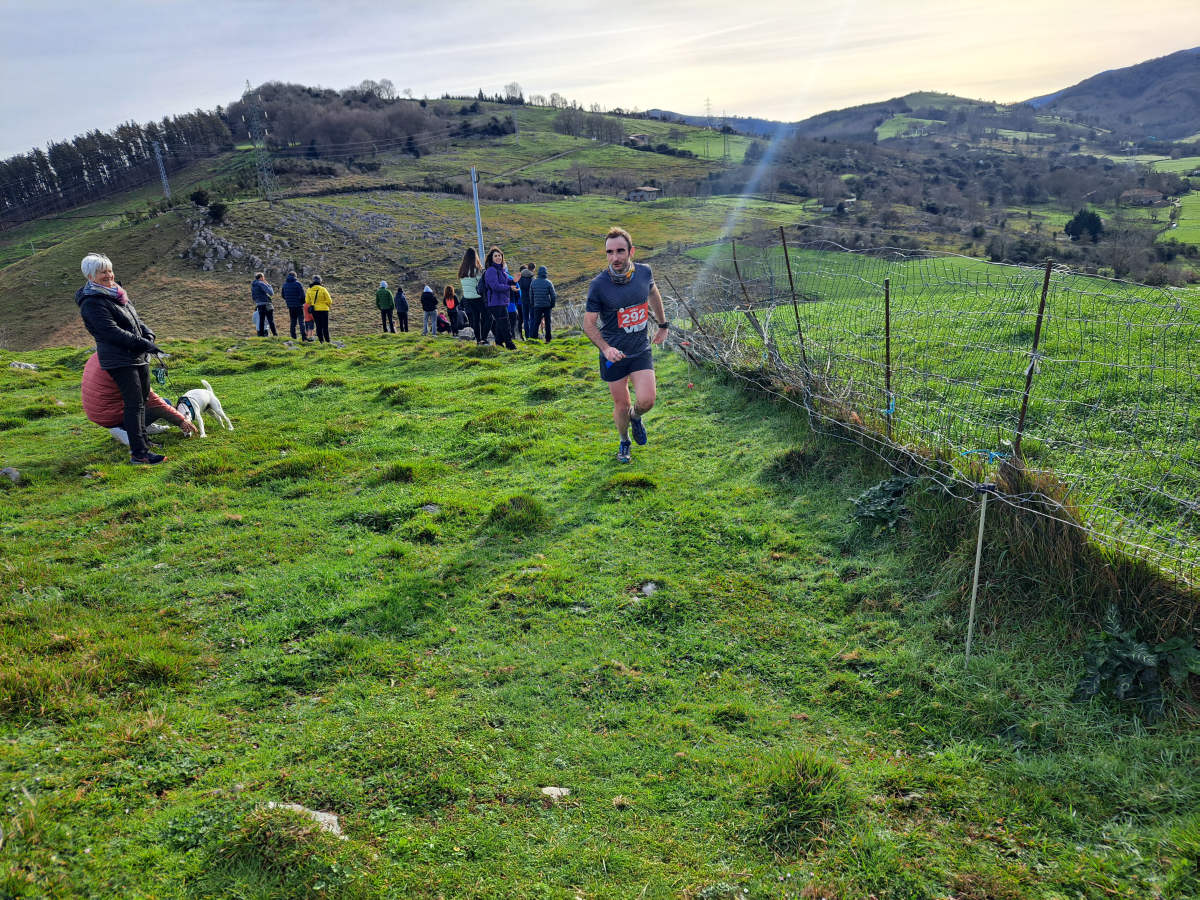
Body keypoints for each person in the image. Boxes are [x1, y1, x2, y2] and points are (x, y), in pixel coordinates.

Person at [583, 226, 668, 463]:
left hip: (640, 349)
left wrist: (663, 324)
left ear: (631, 251)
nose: (615, 257)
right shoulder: (599, 285)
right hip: (614, 355)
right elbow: (588, 324)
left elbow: (653, 294)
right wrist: (606, 349)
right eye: (609, 252)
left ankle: (636, 416)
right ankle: (624, 440)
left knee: (647, 401)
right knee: (621, 405)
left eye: (620, 251)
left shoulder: (644, 272)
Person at [75, 252, 169, 464]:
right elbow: (112, 332)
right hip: (119, 360)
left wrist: (148, 334)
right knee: (134, 404)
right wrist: (145, 344)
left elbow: (135, 320)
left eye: (110, 270)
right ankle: (139, 454)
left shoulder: (117, 294)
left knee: (142, 402)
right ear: (90, 276)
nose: (109, 275)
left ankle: (143, 442)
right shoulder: (92, 302)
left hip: (137, 356)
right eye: (102, 272)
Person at [81, 351, 197, 444]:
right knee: (162, 405)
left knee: (164, 402)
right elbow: (154, 402)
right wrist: (181, 421)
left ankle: (141, 426)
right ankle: (125, 431)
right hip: (113, 416)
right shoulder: (127, 365)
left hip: (97, 412)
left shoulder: (101, 353)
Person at [482, 246, 519, 350]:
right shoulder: (491, 270)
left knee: (500, 323)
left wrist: (514, 281)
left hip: (501, 301)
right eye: (495, 256)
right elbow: (495, 286)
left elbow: (506, 282)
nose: (498, 258)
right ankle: (510, 345)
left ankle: (498, 343)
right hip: (495, 302)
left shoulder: (501, 270)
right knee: (505, 324)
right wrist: (509, 287)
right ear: (491, 258)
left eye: (499, 256)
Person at [458, 247, 486, 345]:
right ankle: (484, 337)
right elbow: (481, 282)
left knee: (476, 319)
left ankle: (478, 340)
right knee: (487, 317)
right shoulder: (477, 270)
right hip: (478, 297)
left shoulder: (462, 271)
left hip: (468, 298)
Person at [529, 264, 557, 342]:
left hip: (537, 306)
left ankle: (534, 339)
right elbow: (553, 295)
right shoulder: (548, 282)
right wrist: (552, 304)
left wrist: (533, 304)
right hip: (547, 306)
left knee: (536, 322)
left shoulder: (533, 282)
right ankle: (548, 339)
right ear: (545, 273)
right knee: (548, 322)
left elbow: (531, 295)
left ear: (538, 273)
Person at [305, 276, 333, 344]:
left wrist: (313, 303)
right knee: (325, 326)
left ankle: (321, 341)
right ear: (320, 281)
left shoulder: (309, 289)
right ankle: (327, 341)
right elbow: (329, 301)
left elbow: (307, 301)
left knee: (318, 326)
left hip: (315, 310)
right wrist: (326, 304)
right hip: (324, 310)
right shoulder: (323, 289)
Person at [281, 271, 308, 340]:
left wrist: (288, 301)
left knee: (293, 322)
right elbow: (303, 295)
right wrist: (302, 302)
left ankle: (293, 337)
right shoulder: (298, 284)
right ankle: (304, 337)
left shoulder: (285, 285)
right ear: (295, 276)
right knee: (301, 321)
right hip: (298, 306)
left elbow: (283, 295)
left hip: (290, 306)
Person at [251, 272, 277, 336]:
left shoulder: (253, 285)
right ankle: (275, 335)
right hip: (266, 304)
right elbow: (271, 293)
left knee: (261, 320)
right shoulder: (261, 283)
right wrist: (268, 285)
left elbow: (253, 297)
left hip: (259, 304)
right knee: (270, 320)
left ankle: (261, 336)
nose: (264, 278)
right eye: (263, 277)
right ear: (261, 277)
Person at [518, 263, 535, 339]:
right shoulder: (532, 277)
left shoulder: (520, 278)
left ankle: (527, 336)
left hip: (523, 300)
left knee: (525, 319)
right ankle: (532, 335)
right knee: (532, 318)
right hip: (531, 300)